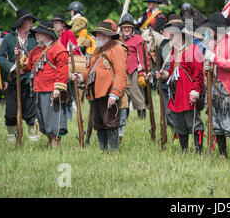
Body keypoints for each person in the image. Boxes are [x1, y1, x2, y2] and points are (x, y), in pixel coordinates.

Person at [73, 20, 128, 153]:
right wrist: (80, 77)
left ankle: (113, 151)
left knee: (111, 123)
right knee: (98, 123)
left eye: (101, 33)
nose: (98, 35)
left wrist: (114, 94)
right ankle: (103, 151)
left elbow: (121, 73)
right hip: (95, 91)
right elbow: (90, 69)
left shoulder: (118, 49)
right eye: (97, 33)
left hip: (108, 92)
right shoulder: (98, 49)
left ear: (109, 35)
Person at [16, 20, 69, 147]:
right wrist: (20, 56)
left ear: (48, 34)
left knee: (54, 122)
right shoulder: (35, 50)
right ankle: (51, 144)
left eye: (39, 33)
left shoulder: (59, 49)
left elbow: (62, 70)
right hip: (38, 90)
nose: (36, 35)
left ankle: (55, 148)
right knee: (44, 120)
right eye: (36, 33)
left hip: (52, 91)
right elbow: (29, 66)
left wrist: (58, 88)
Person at [156, 20, 205, 153]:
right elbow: (173, 72)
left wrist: (195, 91)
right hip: (176, 93)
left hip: (188, 93)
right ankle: (184, 151)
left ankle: (198, 152)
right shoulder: (174, 51)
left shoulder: (193, 50)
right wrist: (164, 74)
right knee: (180, 125)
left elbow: (199, 74)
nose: (170, 37)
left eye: (173, 34)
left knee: (194, 124)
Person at [203, 12, 230, 160]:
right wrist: (207, 66)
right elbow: (208, 67)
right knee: (217, 124)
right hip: (214, 86)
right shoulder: (211, 44)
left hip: (227, 88)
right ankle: (222, 155)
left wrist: (214, 58)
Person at [0, 8, 39, 142]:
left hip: (29, 82)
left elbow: (40, 55)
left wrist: (27, 67)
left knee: (31, 115)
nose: (32, 22)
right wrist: (13, 67)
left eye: (32, 20)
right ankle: (12, 141)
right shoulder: (9, 38)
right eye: (29, 20)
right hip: (13, 82)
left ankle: (34, 142)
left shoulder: (34, 37)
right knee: (10, 114)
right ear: (21, 22)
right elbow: (0, 57)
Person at [119, 13, 149, 141]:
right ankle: (124, 118)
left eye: (129, 27)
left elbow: (143, 57)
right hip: (121, 71)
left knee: (136, 94)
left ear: (132, 28)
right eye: (124, 27)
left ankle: (141, 118)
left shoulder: (139, 40)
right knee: (123, 96)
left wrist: (143, 72)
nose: (126, 29)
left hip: (135, 70)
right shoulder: (117, 40)